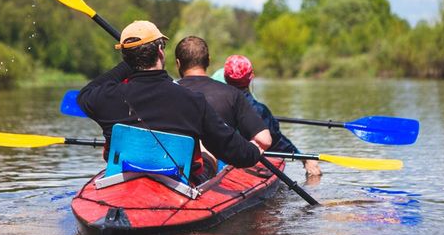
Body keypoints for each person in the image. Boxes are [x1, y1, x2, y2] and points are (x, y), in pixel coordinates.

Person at [76, 21, 264, 184]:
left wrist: (129, 62)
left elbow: (84, 95)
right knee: (209, 154)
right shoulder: (193, 101)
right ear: (160, 51)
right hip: (178, 185)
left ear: (125, 57)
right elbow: (233, 151)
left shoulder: (105, 97)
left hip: (124, 177)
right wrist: (254, 151)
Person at [223, 55, 322, 177]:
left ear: (225, 78)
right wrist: (303, 158)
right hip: (249, 164)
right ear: (251, 77)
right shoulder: (258, 110)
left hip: (224, 162)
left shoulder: (214, 102)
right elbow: (277, 142)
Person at [174, 36, 272, 151]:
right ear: (208, 61)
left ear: (178, 63)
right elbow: (264, 140)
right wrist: (244, 152)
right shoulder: (232, 94)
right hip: (219, 164)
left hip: (177, 162)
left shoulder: (168, 92)